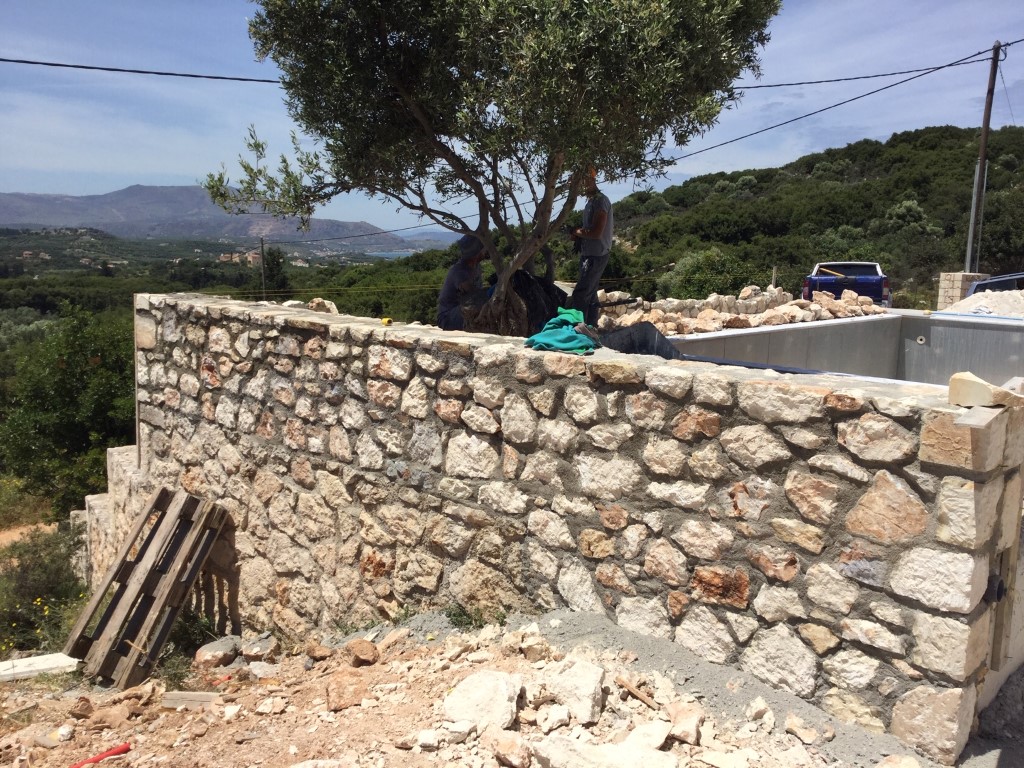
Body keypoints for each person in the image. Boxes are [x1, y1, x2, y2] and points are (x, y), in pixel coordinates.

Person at [569, 167, 613, 326]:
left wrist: (576, 231)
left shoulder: (600, 201)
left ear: (590, 179)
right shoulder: (591, 202)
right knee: (591, 295)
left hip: (596, 255)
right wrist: (579, 234)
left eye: (581, 181)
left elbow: (596, 233)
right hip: (589, 254)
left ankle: (578, 329)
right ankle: (591, 328)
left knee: (581, 294)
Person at [437, 234, 485, 330]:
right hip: (448, 317)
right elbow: (472, 294)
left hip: (458, 313)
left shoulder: (476, 267)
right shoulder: (459, 271)